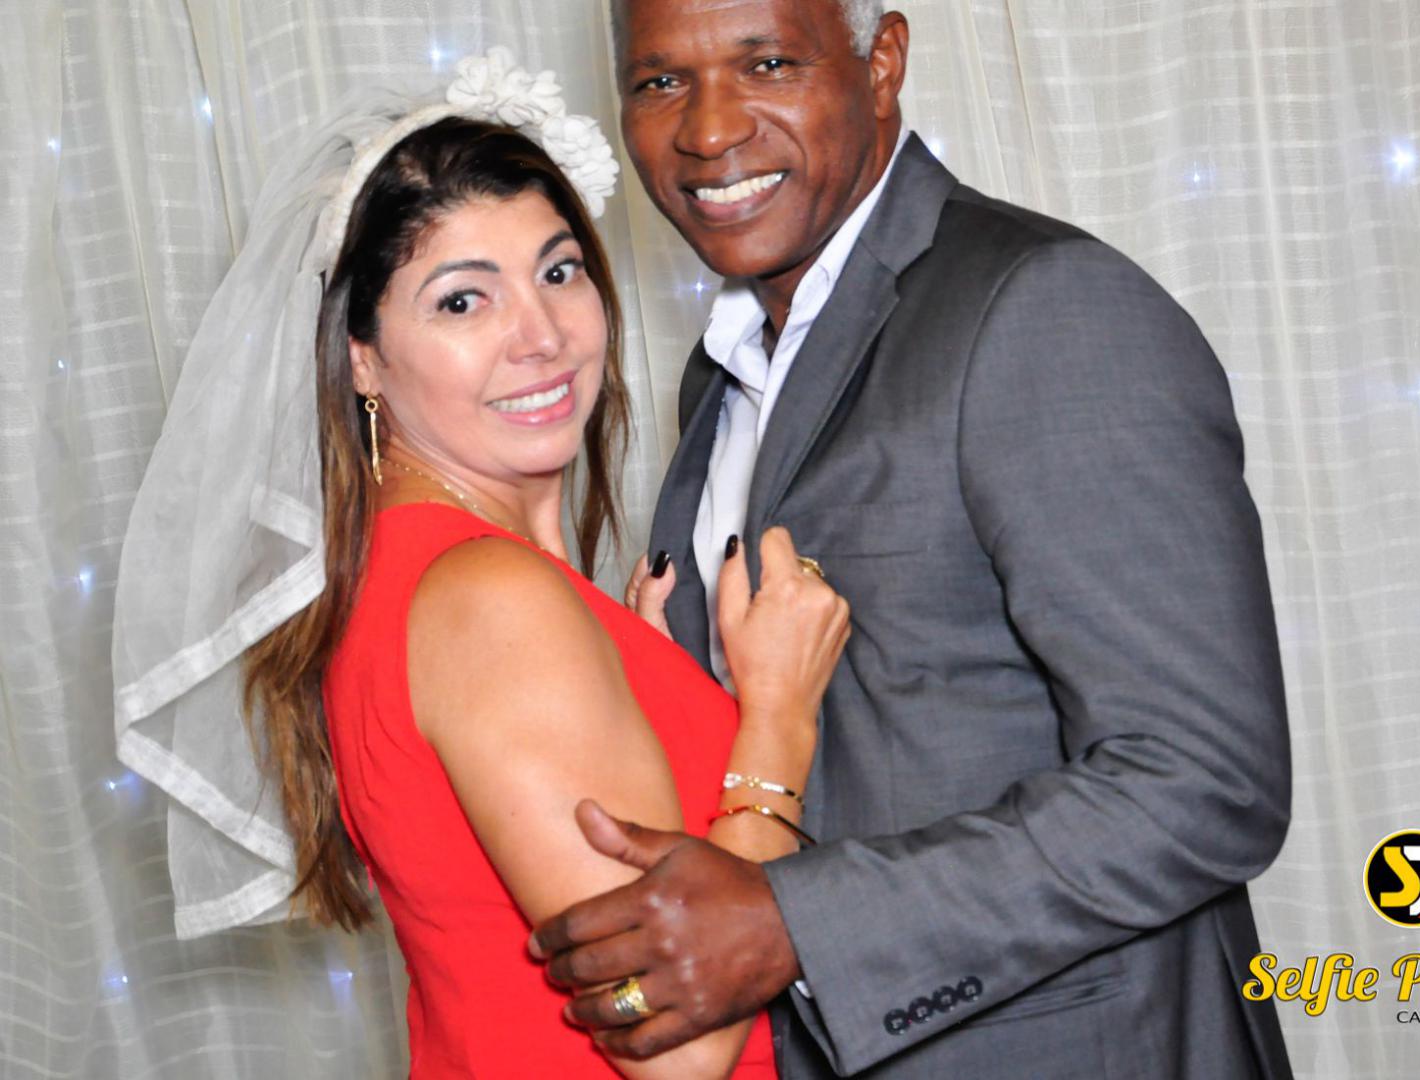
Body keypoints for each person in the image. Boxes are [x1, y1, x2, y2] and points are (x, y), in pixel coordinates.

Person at [531, 2, 1297, 1077]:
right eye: (659, 82)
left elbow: (1203, 782)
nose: (707, 130)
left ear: (881, 62)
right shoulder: (724, 367)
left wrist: (798, 924)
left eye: (767, 63)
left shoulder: (1045, 308)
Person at [114, 49, 849, 1079]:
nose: (539, 335)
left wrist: (640, 673)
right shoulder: (488, 598)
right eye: (462, 302)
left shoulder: (413, 575)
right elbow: (674, 1045)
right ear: (361, 357)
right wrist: (778, 719)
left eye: (558, 272)